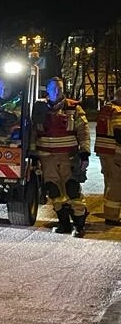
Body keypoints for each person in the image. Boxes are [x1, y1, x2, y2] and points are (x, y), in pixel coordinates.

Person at [31, 76, 91, 237]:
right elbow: (33, 133)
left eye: (59, 88)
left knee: (72, 190)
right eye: (53, 88)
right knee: (54, 191)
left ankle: (79, 225)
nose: (57, 91)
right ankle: (63, 223)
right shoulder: (39, 108)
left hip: (68, 157)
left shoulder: (73, 108)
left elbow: (84, 132)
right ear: (47, 90)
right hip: (46, 158)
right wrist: (33, 154)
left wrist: (84, 153)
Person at [94, 86, 121, 225]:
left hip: (104, 151)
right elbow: (119, 132)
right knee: (116, 184)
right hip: (114, 152)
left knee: (109, 182)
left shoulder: (106, 108)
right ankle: (112, 216)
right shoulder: (117, 111)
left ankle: (109, 212)